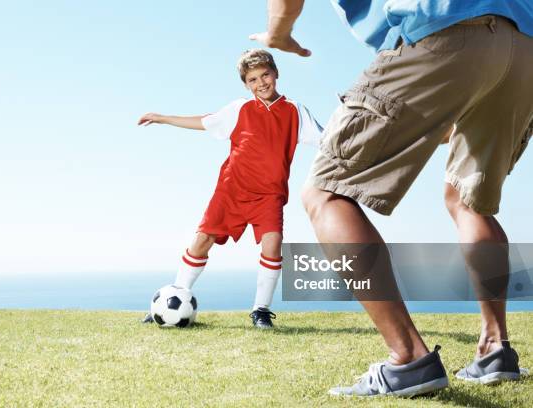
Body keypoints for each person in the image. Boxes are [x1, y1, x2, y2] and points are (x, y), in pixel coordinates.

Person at [251, 0, 532, 397]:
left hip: (443, 24)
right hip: (523, 45)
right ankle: (495, 348)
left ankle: (409, 358)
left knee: (325, 193)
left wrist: (278, 33)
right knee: (469, 201)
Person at [137, 49, 323, 328]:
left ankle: (260, 310)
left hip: (269, 194)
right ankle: (170, 300)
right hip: (231, 189)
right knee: (202, 241)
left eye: (265, 75)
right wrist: (163, 118)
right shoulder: (240, 108)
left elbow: (327, 139)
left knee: (272, 245)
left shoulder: (295, 111)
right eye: (253, 79)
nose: (261, 83)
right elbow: (203, 121)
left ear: (276, 73)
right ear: (246, 84)